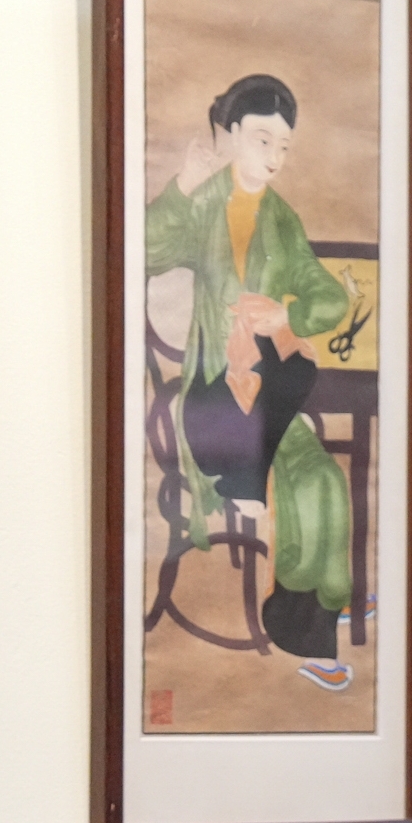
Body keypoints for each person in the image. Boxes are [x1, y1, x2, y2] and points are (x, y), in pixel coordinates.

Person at [146, 73, 356, 691]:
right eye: (263, 140)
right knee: (291, 379)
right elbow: (144, 251)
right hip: (213, 394)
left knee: (322, 480)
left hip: (269, 396)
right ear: (231, 134)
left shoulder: (282, 220)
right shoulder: (204, 201)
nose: (274, 158)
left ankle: (304, 627)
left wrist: (287, 317)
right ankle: (241, 476)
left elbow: (327, 296)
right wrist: (183, 184)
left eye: (283, 147)